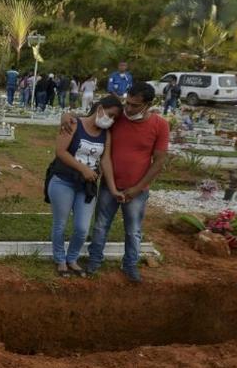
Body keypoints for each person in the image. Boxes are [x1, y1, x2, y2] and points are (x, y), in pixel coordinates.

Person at [64, 82, 168, 283]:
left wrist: (137, 189)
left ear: (148, 104)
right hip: (109, 185)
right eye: (127, 102)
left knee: (133, 230)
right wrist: (65, 116)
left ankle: (129, 265)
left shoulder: (160, 125)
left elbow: (159, 162)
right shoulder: (118, 118)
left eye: (135, 105)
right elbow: (88, 118)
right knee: (101, 226)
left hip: (137, 190)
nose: (128, 109)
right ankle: (94, 262)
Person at [48, 95, 122, 277]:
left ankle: (72, 259)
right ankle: (60, 260)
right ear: (100, 108)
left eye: (114, 118)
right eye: (110, 115)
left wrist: (113, 189)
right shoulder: (73, 124)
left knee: (82, 228)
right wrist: (83, 169)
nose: (111, 120)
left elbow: (105, 161)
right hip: (63, 180)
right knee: (60, 224)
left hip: (87, 187)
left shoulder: (106, 134)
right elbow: (60, 152)